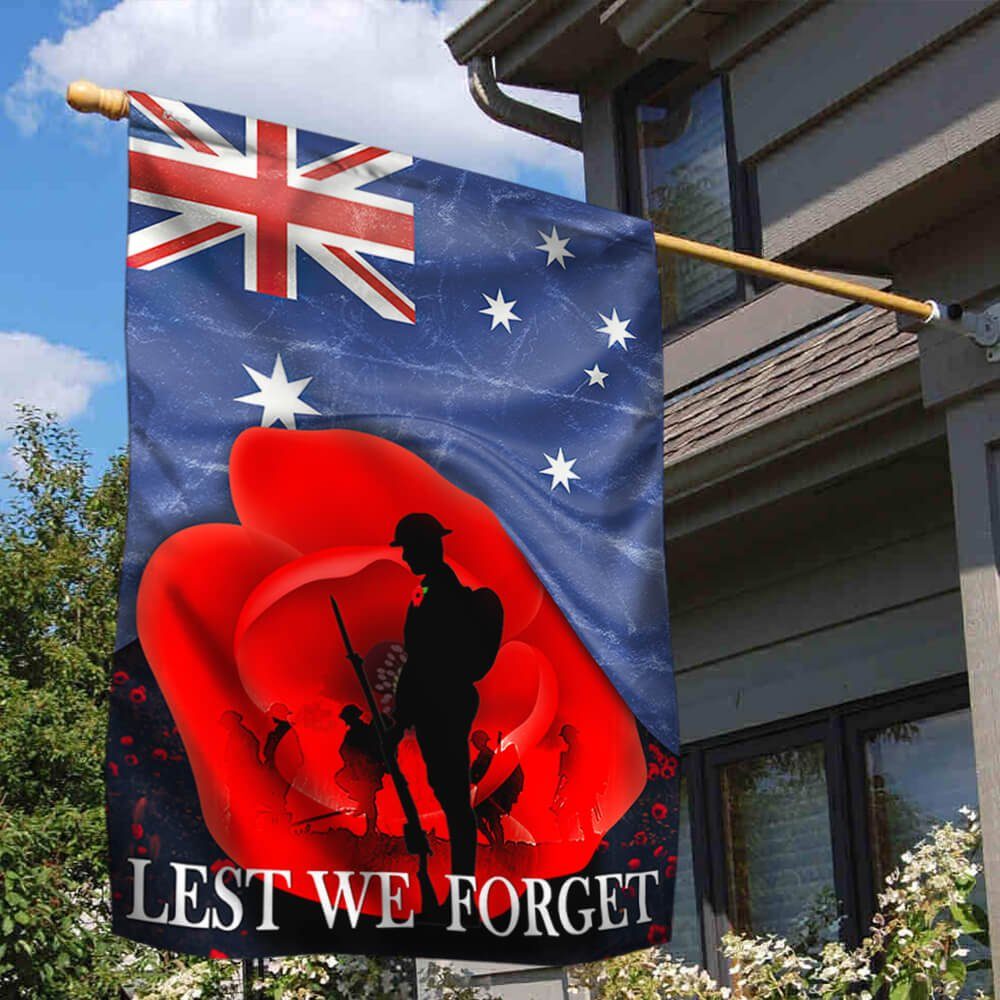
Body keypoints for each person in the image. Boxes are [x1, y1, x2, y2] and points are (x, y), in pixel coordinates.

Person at [389, 513, 502, 878]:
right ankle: (460, 881)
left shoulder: (437, 592)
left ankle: (463, 885)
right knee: (447, 790)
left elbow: (421, 656)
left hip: (443, 702)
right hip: (439, 700)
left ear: (426, 547)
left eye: (408, 549)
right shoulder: (427, 589)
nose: (405, 557)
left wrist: (400, 714)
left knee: (453, 797)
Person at [335, 704, 387, 837]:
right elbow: (344, 751)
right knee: (366, 798)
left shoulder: (360, 731)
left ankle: (370, 831)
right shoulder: (358, 731)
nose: (345, 721)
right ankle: (363, 805)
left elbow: (363, 751)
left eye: (346, 718)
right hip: (359, 771)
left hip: (366, 771)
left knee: (368, 800)